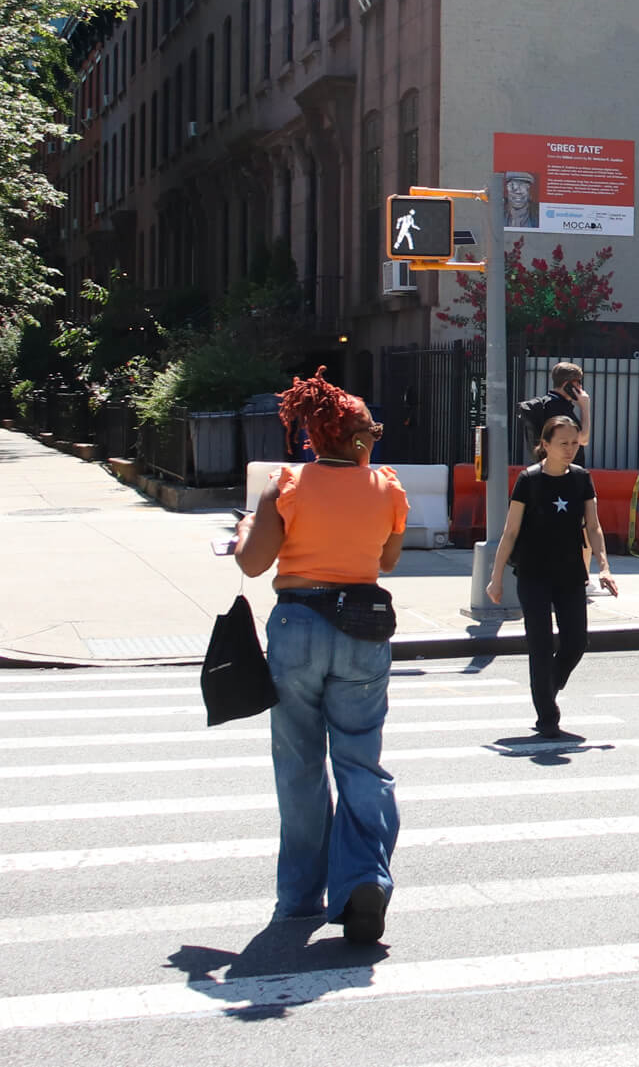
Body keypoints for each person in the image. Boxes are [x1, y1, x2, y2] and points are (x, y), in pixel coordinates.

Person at [232, 369, 407, 945]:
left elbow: (253, 564)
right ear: (355, 440)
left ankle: (301, 897)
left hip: (298, 623)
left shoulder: (284, 483)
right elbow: (386, 562)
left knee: (300, 767)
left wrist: (243, 533)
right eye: (372, 432)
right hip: (362, 627)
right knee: (360, 762)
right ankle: (363, 880)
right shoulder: (389, 487)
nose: (375, 440)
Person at [486, 414, 616, 739]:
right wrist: (496, 577)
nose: (571, 449)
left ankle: (548, 686)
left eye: (574, 442)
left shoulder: (581, 478)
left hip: (570, 573)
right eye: (563, 443)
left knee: (576, 642)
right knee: (540, 645)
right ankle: (547, 715)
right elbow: (511, 530)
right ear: (545, 445)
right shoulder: (528, 480)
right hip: (533, 574)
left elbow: (594, 526)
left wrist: (604, 566)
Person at [517, 360, 590, 453]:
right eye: (578, 382)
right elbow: (583, 439)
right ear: (567, 384)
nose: (580, 386)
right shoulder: (558, 407)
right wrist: (585, 406)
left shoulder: (549, 403)